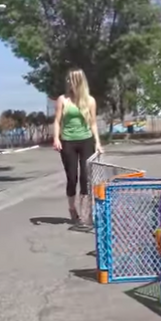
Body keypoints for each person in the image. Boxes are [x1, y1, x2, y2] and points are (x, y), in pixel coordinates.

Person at [53, 68, 104, 224]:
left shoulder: (90, 101)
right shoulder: (63, 100)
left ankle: (84, 213)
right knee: (72, 177)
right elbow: (57, 120)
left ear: (78, 82)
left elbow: (93, 123)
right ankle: (72, 209)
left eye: (71, 80)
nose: (68, 83)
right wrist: (56, 138)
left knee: (85, 178)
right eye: (68, 80)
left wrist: (98, 143)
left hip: (86, 140)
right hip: (68, 141)